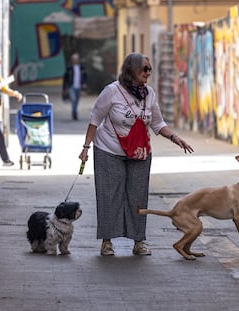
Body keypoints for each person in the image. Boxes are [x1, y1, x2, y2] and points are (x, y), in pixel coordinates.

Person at [79, 53, 194, 256]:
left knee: (138, 197)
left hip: (140, 152)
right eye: (144, 69)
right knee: (109, 195)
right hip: (109, 150)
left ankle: (138, 241)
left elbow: (157, 123)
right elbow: (95, 119)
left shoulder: (149, 94)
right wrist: (86, 148)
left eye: (150, 69)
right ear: (131, 70)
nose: (148, 73)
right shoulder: (112, 91)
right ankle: (107, 241)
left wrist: (175, 138)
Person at [0, 52, 23, 166]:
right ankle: (5, 159)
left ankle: (5, 159)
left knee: (0, 134)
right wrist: (2, 85)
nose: (0, 61)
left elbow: (3, 88)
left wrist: (14, 93)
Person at [62, 53, 87, 120]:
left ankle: (74, 110)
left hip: (79, 86)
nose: (75, 60)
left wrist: (84, 83)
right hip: (71, 86)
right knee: (73, 99)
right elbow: (65, 78)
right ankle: (74, 112)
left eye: (76, 59)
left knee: (77, 100)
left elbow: (85, 77)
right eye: (74, 59)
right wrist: (65, 88)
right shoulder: (69, 68)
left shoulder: (82, 68)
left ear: (78, 60)